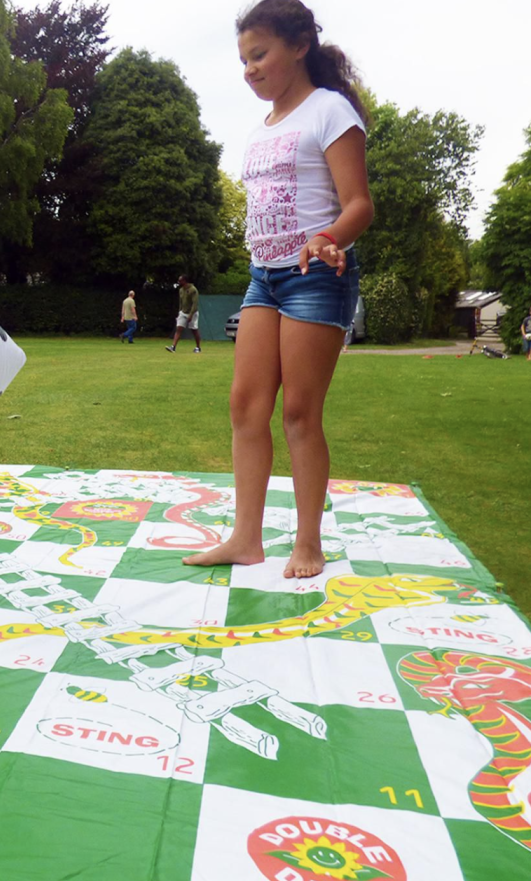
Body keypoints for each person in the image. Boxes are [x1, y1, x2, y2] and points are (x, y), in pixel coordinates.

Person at [184, 0, 374, 579]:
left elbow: (360, 205)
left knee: (299, 412)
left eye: (259, 54)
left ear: (299, 46)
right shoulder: (262, 128)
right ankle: (246, 539)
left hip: (316, 277)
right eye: (244, 60)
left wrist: (327, 239)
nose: (250, 70)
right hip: (263, 277)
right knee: (246, 405)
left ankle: (308, 544)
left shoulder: (329, 111)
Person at [166, 275, 202, 353]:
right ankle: (173, 347)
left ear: (184, 281)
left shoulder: (193, 290)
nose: (179, 282)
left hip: (193, 313)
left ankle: (198, 347)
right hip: (183, 312)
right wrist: (180, 312)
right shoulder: (181, 290)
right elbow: (181, 302)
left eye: (180, 280)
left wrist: (191, 315)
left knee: (194, 330)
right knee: (179, 328)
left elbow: (195, 304)